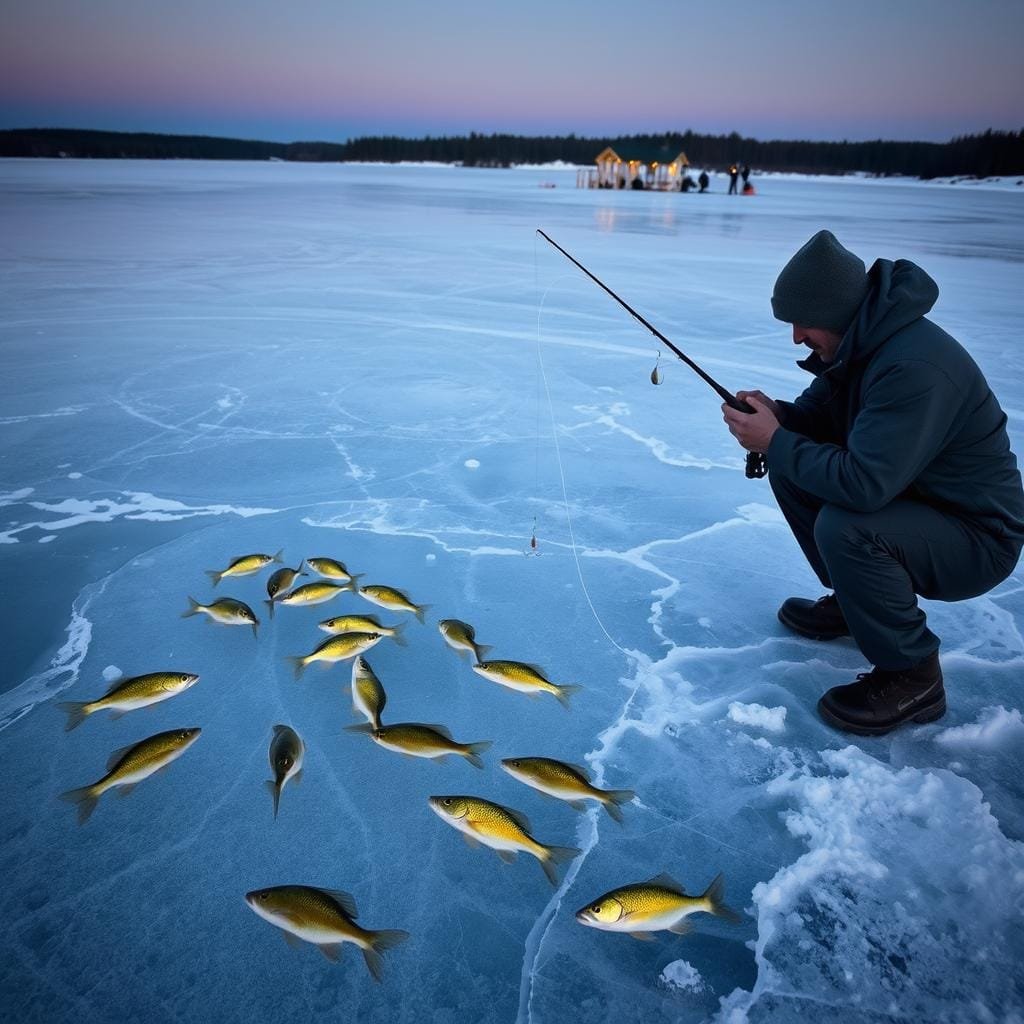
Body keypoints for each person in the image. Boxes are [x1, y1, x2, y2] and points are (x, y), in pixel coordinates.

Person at [721, 230, 1024, 735]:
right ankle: (856, 605)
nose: (796, 337)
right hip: (920, 501)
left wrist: (776, 441)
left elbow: (864, 484)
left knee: (847, 524)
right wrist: (779, 418)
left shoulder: (913, 366)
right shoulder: (860, 345)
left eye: (803, 322)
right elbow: (819, 422)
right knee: (796, 469)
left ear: (838, 312)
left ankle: (913, 674)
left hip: (977, 537)